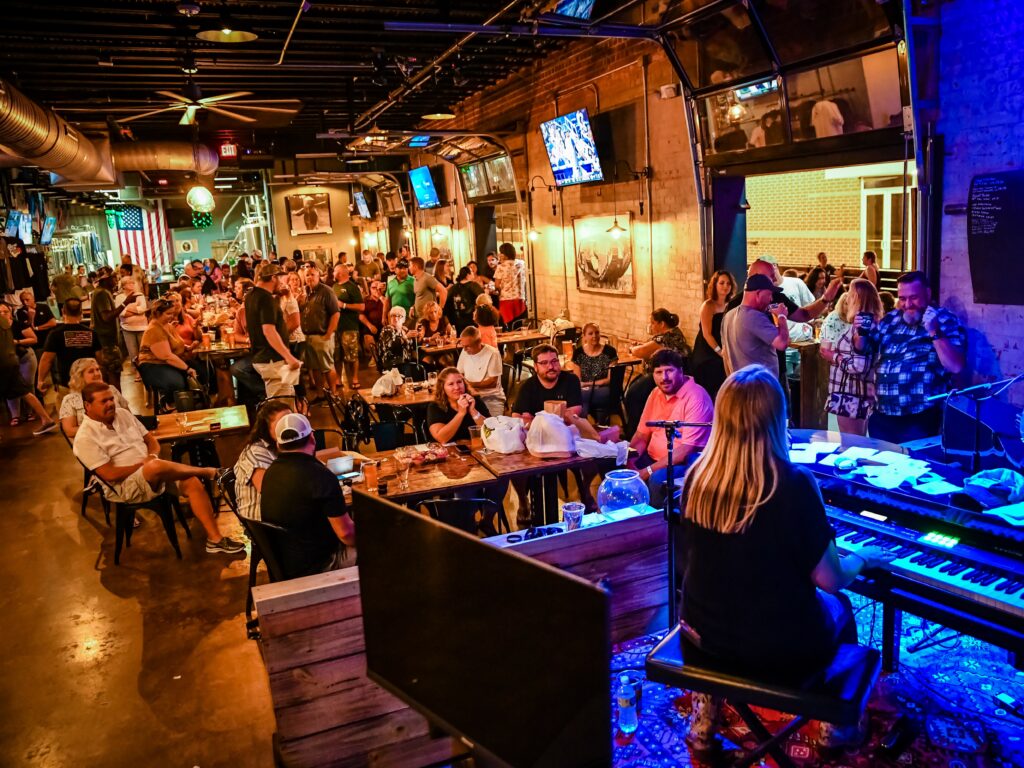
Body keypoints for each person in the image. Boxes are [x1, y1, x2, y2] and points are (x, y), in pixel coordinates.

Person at [678, 365, 895, 751]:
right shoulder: (794, 484)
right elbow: (831, 579)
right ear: (778, 419)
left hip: (701, 635)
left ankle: (704, 719)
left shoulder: (697, 477)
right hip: (778, 649)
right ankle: (834, 725)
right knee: (842, 606)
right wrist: (862, 557)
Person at [73, 382, 243, 554]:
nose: (110, 404)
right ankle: (210, 472)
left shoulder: (123, 414)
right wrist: (143, 464)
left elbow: (151, 440)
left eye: (111, 399)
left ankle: (215, 540)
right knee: (155, 466)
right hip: (125, 487)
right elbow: (109, 475)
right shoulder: (85, 437)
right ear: (88, 405)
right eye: (104, 401)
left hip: (152, 472)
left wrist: (152, 456)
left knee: (192, 482)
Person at [862, 271, 965, 443]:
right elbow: (864, 351)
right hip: (882, 417)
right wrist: (860, 332)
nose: (908, 304)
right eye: (902, 298)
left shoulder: (945, 321)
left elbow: (955, 366)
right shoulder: (890, 320)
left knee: (915, 460)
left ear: (928, 294)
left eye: (914, 298)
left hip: (919, 418)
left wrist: (934, 331)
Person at [260, 413, 355, 578]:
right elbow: (346, 535)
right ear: (312, 438)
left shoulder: (270, 473)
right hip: (319, 566)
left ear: (278, 444)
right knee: (381, 543)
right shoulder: (321, 476)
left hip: (285, 564)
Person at [511, 344, 602, 515]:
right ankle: (523, 501)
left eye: (554, 361)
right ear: (535, 366)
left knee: (596, 453)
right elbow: (517, 417)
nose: (551, 366)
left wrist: (537, 419)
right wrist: (556, 417)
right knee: (514, 465)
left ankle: (585, 488)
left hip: (566, 436)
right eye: (544, 363)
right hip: (536, 440)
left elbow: (575, 411)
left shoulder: (570, 380)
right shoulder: (527, 386)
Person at [627, 348, 713, 504]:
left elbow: (686, 450)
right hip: (653, 459)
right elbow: (641, 435)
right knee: (615, 467)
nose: (664, 378)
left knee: (657, 479)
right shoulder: (655, 393)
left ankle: (655, 517)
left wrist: (646, 471)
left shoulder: (696, 397)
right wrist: (629, 461)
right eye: (658, 372)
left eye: (669, 371)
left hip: (684, 464)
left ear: (681, 371)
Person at [823, 279, 882, 436]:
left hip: (850, 395)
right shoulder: (872, 324)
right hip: (857, 394)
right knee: (857, 441)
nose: (847, 297)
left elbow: (858, 366)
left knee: (851, 442)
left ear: (857, 298)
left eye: (850, 293)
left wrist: (834, 356)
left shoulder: (862, 328)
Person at [625, 308, 691, 435]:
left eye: (653, 323)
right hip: (675, 375)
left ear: (662, 324)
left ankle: (636, 432)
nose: (651, 326)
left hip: (664, 376)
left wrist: (632, 348)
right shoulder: (676, 334)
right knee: (634, 385)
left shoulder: (664, 338)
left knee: (633, 394)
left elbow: (640, 351)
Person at [245, 263, 302, 398]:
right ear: (273, 278)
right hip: (272, 359)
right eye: (280, 278)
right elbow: (269, 331)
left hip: (262, 356)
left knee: (288, 396)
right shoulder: (266, 299)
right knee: (281, 403)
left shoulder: (251, 295)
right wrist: (288, 356)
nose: (282, 283)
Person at [0, 302, 57, 434]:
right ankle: (46, 419)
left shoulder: (10, 324)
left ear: (10, 312)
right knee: (24, 391)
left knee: (26, 389)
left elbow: (33, 338)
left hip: (7, 363)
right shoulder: (5, 324)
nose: (2, 313)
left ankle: (41, 418)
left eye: (5, 311)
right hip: (11, 361)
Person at [721, 273, 791, 380]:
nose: (771, 299)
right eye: (769, 294)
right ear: (758, 293)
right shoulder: (754, 317)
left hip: (740, 384)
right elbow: (782, 343)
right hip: (761, 386)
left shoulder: (728, 316)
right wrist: (782, 316)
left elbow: (725, 355)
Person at [233, 399, 293, 520]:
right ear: (266, 429)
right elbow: (271, 494)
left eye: (291, 420)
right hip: (263, 522)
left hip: (281, 511)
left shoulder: (284, 445)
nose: (289, 427)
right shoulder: (256, 453)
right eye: (282, 424)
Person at [137, 298, 197, 400]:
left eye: (173, 313)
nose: (172, 316)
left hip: (165, 362)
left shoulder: (167, 325)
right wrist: (187, 368)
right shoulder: (154, 330)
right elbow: (166, 356)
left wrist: (187, 348)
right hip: (152, 364)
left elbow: (175, 344)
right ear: (158, 313)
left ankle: (194, 401)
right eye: (168, 314)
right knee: (176, 383)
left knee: (201, 370)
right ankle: (171, 404)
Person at [36, 298, 100, 394]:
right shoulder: (91, 333)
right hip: (90, 382)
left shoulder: (56, 334)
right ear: (81, 312)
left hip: (66, 383)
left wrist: (40, 380)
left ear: (63, 311)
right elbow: (99, 357)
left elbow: (47, 359)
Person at [59, 357, 132, 438]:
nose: (97, 374)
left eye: (97, 369)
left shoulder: (111, 389)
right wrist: (103, 429)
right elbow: (69, 431)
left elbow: (129, 416)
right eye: (91, 371)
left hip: (124, 436)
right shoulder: (70, 400)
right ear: (80, 376)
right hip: (93, 440)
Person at [690, 270, 735, 402]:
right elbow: (707, 334)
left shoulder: (731, 305)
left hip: (723, 345)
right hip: (707, 349)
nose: (725, 286)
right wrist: (720, 352)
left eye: (728, 283)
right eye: (722, 283)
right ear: (714, 285)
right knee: (713, 374)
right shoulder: (708, 305)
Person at [300, 265, 340, 397]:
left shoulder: (326, 291)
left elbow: (335, 313)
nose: (310, 277)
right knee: (315, 368)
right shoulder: (306, 292)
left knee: (327, 367)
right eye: (307, 275)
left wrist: (328, 334)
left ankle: (333, 395)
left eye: (312, 274)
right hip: (308, 337)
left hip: (322, 336)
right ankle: (320, 395)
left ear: (318, 276)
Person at [566, 322, 618, 418]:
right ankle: (587, 422)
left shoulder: (610, 352)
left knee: (582, 395)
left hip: (605, 388)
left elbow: (609, 379)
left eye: (597, 333)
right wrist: (583, 386)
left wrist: (587, 384)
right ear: (584, 336)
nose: (594, 336)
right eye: (590, 333)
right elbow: (577, 379)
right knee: (575, 394)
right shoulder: (578, 352)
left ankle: (584, 422)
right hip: (584, 389)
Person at [427, 367, 489, 443]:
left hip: (473, 447)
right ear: (442, 387)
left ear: (464, 384)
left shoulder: (475, 401)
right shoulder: (435, 406)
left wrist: (473, 412)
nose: (457, 387)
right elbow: (442, 438)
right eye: (451, 384)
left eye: (459, 382)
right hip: (447, 449)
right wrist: (461, 414)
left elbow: (491, 431)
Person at [90, 273, 131, 389]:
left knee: (109, 375)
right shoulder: (102, 293)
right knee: (113, 375)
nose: (116, 281)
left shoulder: (100, 292)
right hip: (107, 342)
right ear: (106, 279)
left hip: (105, 341)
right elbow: (106, 317)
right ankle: (115, 398)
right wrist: (126, 302)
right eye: (114, 278)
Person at [456, 326, 505, 417]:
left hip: (491, 398)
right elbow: (459, 374)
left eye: (468, 346)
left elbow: (492, 383)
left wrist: (468, 384)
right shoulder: (464, 351)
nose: (465, 349)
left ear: (479, 342)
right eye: (463, 346)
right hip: (469, 396)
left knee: (491, 424)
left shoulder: (493, 353)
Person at [332, 262, 365, 390]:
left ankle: (355, 378)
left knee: (352, 355)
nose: (333, 273)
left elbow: (361, 306)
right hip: (336, 326)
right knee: (337, 355)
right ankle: (338, 379)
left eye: (335, 271)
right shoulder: (334, 286)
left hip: (349, 326)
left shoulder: (352, 287)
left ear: (341, 273)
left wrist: (344, 305)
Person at [492, 242, 528, 327]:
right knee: (519, 325)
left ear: (505, 255)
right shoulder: (521, 264)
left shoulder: (501, 267)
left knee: (509, 325)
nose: (499, 255)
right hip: (520, 298)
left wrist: (499, 291)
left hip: (506, 300)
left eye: (501, 253)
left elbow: (497, 285)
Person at [115, 276, 148, 369]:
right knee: (133, 352)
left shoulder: (139, 295)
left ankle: (145, 369)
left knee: (143, 351)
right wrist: (136, 309)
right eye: (129, 283)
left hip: (142, 327)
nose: (132, 284)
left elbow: (143, 309)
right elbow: (121, 313)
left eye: (133, 282)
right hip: (127, 328)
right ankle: (136, 370)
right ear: (123, 286)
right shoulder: (119, 297)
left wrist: (128, 308)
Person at [409, 256, 447, 325]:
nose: (409, 268)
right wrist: (413, 307)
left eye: (410, 265)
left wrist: (440, 309)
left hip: (429, 318)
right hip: (420, 317)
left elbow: (443, 291)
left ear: (415, 267)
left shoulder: (427, 278)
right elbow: (419, 296)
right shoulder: (415, 280)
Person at [446, 266, 484, 332]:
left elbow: (448, 304)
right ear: (467, 275)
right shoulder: (474, 286)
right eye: (471, 272)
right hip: (473, 320)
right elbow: (483, 299)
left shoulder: (453, 288)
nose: (473, 274)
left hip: (457, 321)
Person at [358, 279, 384, 361]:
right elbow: (361, 315)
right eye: (373, 288)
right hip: (370, 324)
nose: (376, 290)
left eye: (378, 288)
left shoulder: (385, 299)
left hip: (384, 324)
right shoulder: (365, 300)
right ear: (370, 289)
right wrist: (370, 326)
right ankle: (375, 357)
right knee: (367, 336)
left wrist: (381, 297)